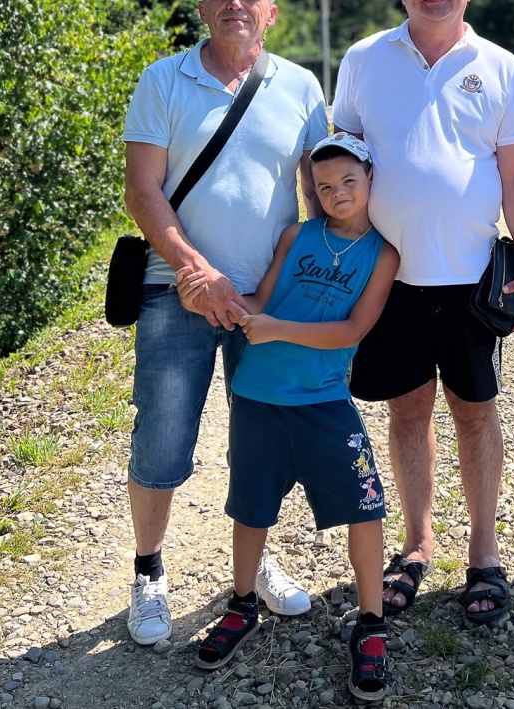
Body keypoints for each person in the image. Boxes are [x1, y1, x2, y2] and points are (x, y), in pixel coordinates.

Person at [331, 0, 514, 624]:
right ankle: (417, 544)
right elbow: (339, 164)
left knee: (475, 412)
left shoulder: (502, 66)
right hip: (387, 275)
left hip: (470, 277)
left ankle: (484, 555)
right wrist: (333, 251)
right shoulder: (364, 59)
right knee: (407, 411)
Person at [122, 0, 328, 646]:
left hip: (265, 301)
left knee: (261, 440)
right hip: (173, 291)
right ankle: (148, 570)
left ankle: (253, 560)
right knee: (162, 439)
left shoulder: (300, 86)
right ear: (203, 8)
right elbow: (142, 190)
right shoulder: (163, 80)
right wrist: (197, 271)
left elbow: (318, 195)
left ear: (272, 13)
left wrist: (297, 287)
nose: (235, 3)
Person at [179, 134, 399, 702]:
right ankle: (242, 605)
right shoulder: (295, 236)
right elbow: (259, 302)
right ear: (313, 191)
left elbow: (352, 330)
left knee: (365, 505)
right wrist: (211, 301)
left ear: (370, 180)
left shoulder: (384, 254)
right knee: (250, 506)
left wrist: (277, 329)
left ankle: (371, 624)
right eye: (324, 186)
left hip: (324, 402)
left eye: (348, 181)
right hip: (257, 394)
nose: (337, 193)